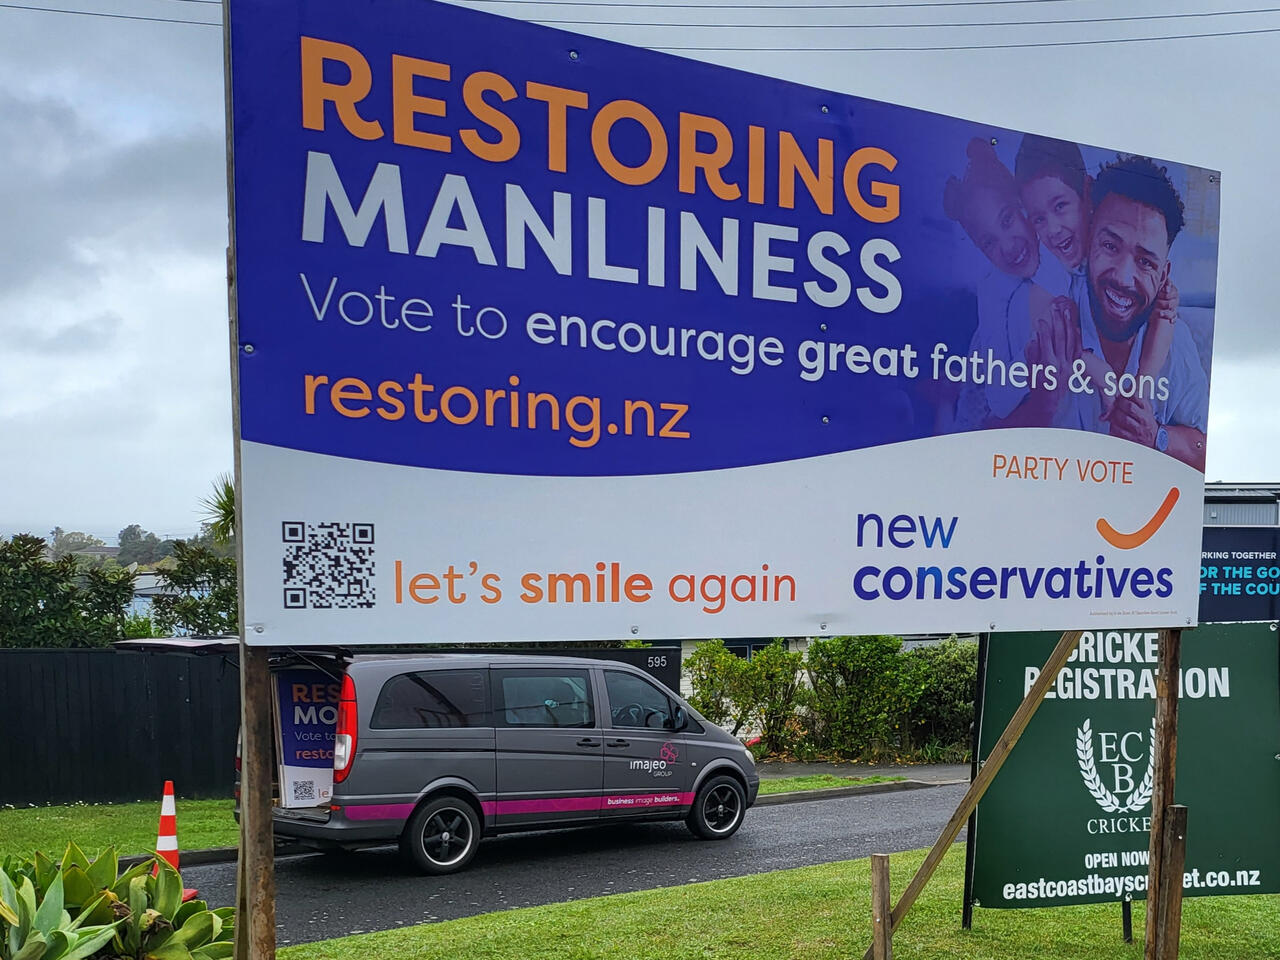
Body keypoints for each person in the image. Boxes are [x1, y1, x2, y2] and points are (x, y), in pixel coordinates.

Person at [1015, 135, 1180, 428]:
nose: (1052, 229)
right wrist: (1102, 374)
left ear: (1086, 197)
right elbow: (1044, 325)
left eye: (1060, 206)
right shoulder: (1050, 268)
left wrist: (1139, 395)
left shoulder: (1103, 243)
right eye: (1038, 219)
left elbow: (1165, 321)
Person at [1079, 155, 1208, 470]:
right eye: (1110, 246)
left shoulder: (1175, 340)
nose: (1124, 278)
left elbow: (1206, 449)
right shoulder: (1042, 309)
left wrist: (1155, 437)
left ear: (1164, 275)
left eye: (1145, 261)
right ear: (1087, 242)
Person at [944, 137, 1078, 429]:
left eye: (1007, 221)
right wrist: (1037, 350)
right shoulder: (991, 290)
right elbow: (999, 400)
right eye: (989, 243)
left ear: (1023, 207)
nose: (1007, 247)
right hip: (977, 414)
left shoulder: (1059, 246)